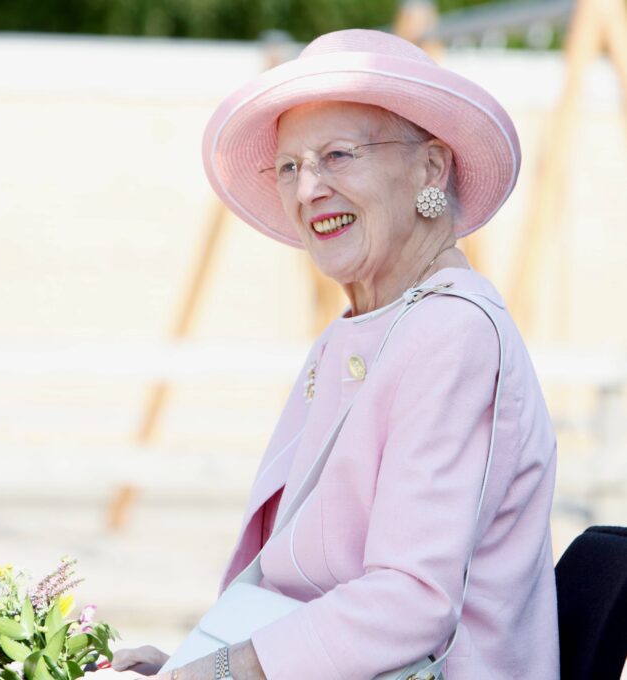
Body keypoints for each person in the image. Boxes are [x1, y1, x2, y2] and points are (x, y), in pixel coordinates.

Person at [114, 29, 559, 679]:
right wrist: (197, 662)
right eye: (290, 166)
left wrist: (220, 674)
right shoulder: (359, 330)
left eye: (338, 155)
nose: (306, 188)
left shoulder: (451, 330)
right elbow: (303, 580)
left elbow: (412, 601)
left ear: (430, 168)